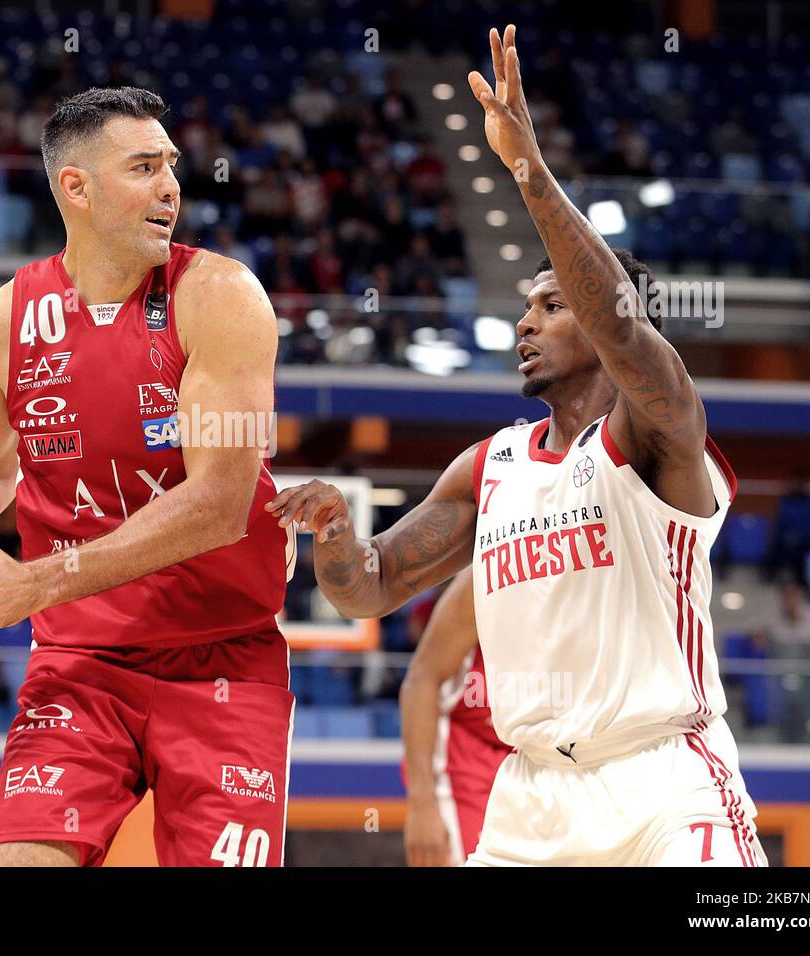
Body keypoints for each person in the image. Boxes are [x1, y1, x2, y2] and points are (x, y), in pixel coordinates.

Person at [268, 25, 765, 867]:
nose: (526, 321)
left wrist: (530, 173)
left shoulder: (658, 433)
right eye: (528, 306)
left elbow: (618, 319)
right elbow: (372, 589)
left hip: (664, 787)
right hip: (528, 796)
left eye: (550, 305)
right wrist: (337, 538)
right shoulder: (488, 467)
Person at [0, 87, 294, 867]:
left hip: (222, 658)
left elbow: (219, 504)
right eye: (144, 167)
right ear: (76, 187)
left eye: (171, 166)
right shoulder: (0, 320)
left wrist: (32, 585)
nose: (172, 186)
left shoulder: (221, 296)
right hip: (79, 663)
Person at [400, 567, 511, 866]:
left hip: (534, 758)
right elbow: (419, 683)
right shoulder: (484, 577)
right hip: (464, 757)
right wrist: (422, 806)